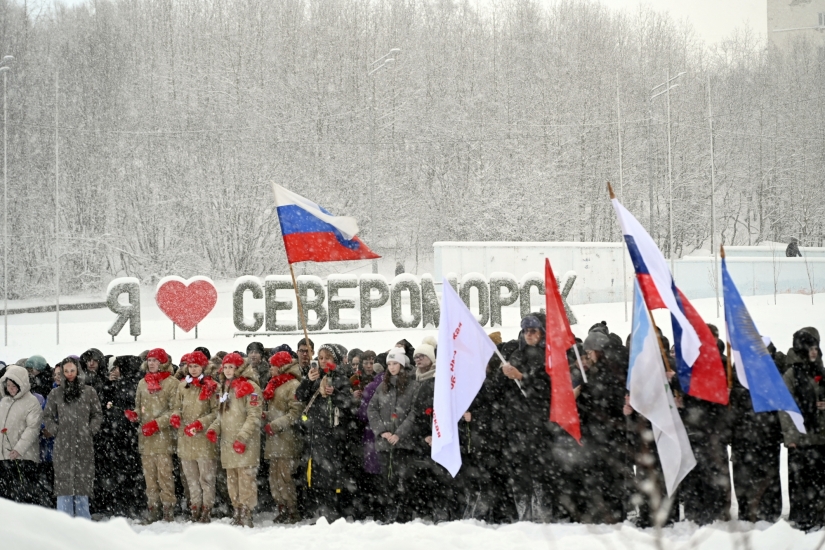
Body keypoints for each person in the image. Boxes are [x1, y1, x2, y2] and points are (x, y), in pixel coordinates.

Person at [500, 314, 555, 523]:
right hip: (516, 421)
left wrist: (522, 377)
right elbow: (503, 388)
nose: (529, 334)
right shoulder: (516, 354)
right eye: (525, 331)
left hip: (539, 421)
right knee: (519, 469)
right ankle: (523, 512)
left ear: (542, 332)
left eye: (533, 330)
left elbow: (547, 387)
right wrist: (503, 373)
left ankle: (542, 511)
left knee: (539, 469)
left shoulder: (547, 355)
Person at [295, 343, 351, 521]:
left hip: (334, 436)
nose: (323, 361)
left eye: (327, 357)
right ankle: (318, 510)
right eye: (320, 358)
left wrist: (335, 394)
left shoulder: (341, 378)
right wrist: (308, 381)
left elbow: (348, 405)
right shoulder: (315, 377)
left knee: (331, 475)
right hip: (315, 434)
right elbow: (300, 396)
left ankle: (331, 511)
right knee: (315, 474)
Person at [207, 352, 262, 527]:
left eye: (232, 367)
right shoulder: (225, 387)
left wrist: (242, 437)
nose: (228, 370)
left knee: (246, 478)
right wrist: (214, 428)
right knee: (232, 479)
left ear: (238, 368)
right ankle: (237, 510)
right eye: (226, 367)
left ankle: (246, 512)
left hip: (245, 442)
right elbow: (222, 414)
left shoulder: (250, 386)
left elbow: (254, 416)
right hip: (228, 443)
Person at [43, 358, 103, 519]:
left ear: (78, 371)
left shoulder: (89, 392)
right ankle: (64, 527)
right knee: (64, 488)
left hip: (84, 444)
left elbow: (97, 414)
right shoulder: (55, 393)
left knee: (82, 488)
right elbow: (47, 415)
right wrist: (56, 430)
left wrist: (90, 430)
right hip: (62, 445)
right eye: (66, 371)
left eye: (72, 370)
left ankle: (84, 527)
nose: (69, 374)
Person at [779, 327, 825, 531]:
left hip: (821, 436)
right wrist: (790, 436)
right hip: (801, 438)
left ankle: (820, 516)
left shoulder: (821, 372)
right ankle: (802, 518)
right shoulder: (792, 374)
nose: (814, 352)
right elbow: (785, 406)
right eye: (810, 348)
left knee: (820, 480)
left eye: (816, 348)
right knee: (801, 481)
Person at [127, 348, 178, 523]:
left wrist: (157, 424)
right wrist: (135, 415)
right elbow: (139, 406)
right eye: (149, 360)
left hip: (163, 438)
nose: (151, 363)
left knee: (165, 476)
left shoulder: (172, 383)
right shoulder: (142, 383)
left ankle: (168, 510)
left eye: (156, 360)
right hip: (146, 439)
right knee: (150, 478)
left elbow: (175, 411)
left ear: (163, 363)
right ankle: (153, 509)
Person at [368, 347, 417, 523]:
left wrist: (400, 434)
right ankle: (388, 514)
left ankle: (403, 516)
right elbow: (371, 409)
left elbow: (414, 413)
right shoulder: (383, 386)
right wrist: (382, 431)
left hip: (404, 444)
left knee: (403, 481)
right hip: (384, 443)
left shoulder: (413, 385)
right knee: (386, 481)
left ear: (402, 364)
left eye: (395, 363)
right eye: (389, 364)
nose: (392, 367)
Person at [95, 355, 144, 518]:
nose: (114, 371)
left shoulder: (128, 383)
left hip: (123, 435)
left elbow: (112, 404)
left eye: (117, 367)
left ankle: (126, 505)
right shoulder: (134, 382)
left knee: (125, 472)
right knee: (131, 472)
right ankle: (132, 504)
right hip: (127, 435)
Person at [173, 351, 219, 523]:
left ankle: (207, 509)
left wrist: (200, 423)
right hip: (186, 439)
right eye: (190, 366)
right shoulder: (182, 385)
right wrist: (176, 416)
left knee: (206, 478)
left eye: (196, 366)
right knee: (191, 479)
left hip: (203, 439)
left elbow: (216, 412)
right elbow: (176, 406)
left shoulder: (212, 385)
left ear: (203, 367)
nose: (193, 370)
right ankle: (195, 507)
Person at [262, 350, 303, 523]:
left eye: (273, 366)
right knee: (274, 477)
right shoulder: (275, 384)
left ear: (281, 367)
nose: (270, 369)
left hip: (287, 438)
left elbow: (295, 413)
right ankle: (282, 507)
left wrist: (276, 424)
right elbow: (276, 409)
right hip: (274, 439)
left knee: (286, 477)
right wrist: (266, 415)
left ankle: (292, 509)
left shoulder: (293, 385)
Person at [0, 365, 43, 504]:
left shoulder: (32, 402)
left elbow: (33, 428)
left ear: (22, 384)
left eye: (14, 386)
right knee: (6, 496)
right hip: (4, 456)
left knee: (22, 495)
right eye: (8, 386)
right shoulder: (4, 402)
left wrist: (18, 449)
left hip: (24, 458)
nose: (10, 389)